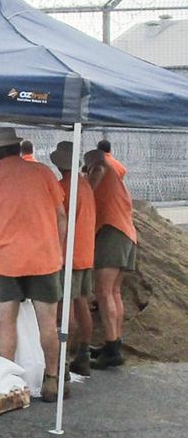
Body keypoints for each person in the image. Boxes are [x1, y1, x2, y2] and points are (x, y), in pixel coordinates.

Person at [0, 127, 68, 402]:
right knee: (48, 323)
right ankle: (52, 379)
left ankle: (9, 380)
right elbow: (61, 217)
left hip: (8, 261)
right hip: (45, 258)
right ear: (17, 148)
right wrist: (55, 250)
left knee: (6, 322)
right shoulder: (43, 173)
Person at [84, 149, 137, 369]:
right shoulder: (116, 175)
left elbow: (89, 191)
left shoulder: (100, 170)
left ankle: (112, 347)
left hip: (111, 232)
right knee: (114, 292)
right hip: (127, 234)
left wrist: (87, 180)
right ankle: (113, 343)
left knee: (104, 292)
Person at [50, 142, 96, 377]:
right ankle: (83, 355)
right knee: (81, 304)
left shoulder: (63, 188)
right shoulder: (85, 185)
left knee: (63, 310)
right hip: (86, 253)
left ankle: (62, 361)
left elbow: (58, 222)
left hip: (67, 255)